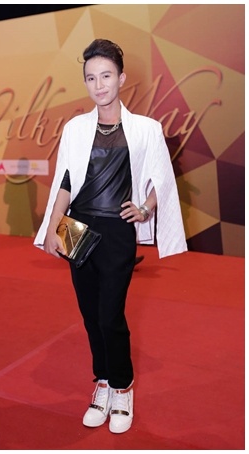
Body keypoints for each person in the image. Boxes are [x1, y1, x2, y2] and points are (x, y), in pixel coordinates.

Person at [34, 39, 186, 434]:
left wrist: (145, 209)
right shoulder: (75, 128)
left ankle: (122, 387)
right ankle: (101, 382)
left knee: (110, 315)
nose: (99, 85)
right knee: (89, 315)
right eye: (91, 78)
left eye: (106, 76)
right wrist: (52, 227)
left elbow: (162, 181)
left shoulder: (146, 129)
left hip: (117, 230)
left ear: (121, 78)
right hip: (76, 228)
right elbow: (65, 182)